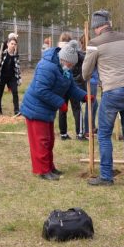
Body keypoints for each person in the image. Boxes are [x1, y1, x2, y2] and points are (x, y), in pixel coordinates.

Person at [82, 10, 124, 186]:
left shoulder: (94, 43)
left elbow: (85, 72)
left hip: (112, 91)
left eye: (94, 28)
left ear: (98, 26)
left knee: (104, 135)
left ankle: (106, 176)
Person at [20, 40, 89, 180]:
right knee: (42, 141)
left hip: (46, 109)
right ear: (63, 60)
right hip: (36, 108)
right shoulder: (47, 66)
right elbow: (41, 90)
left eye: (72, 66)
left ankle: (49, 167)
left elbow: (70, 88)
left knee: (49, 140)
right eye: (69, 65)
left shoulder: (64, 69)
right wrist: (60, 103)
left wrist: (84, 96)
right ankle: (43, 171)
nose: (70, 68)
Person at [0, 33, 21, 115]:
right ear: (8, 44)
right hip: (2, 76)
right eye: (12, 44)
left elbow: (17, 68)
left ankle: (16, 110)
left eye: (15, 44)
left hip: (12, 77)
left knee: (15, 92)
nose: (13, 45)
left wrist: (19, 78)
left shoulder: (16, 55)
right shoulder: (2, 53)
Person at [56, 32, 77, 140]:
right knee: (76, 108)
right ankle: (79, 132)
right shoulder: (70, 51)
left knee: (62, 109)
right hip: (68, 83)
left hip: (62, 84)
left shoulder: (57, 50)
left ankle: (63, 133)